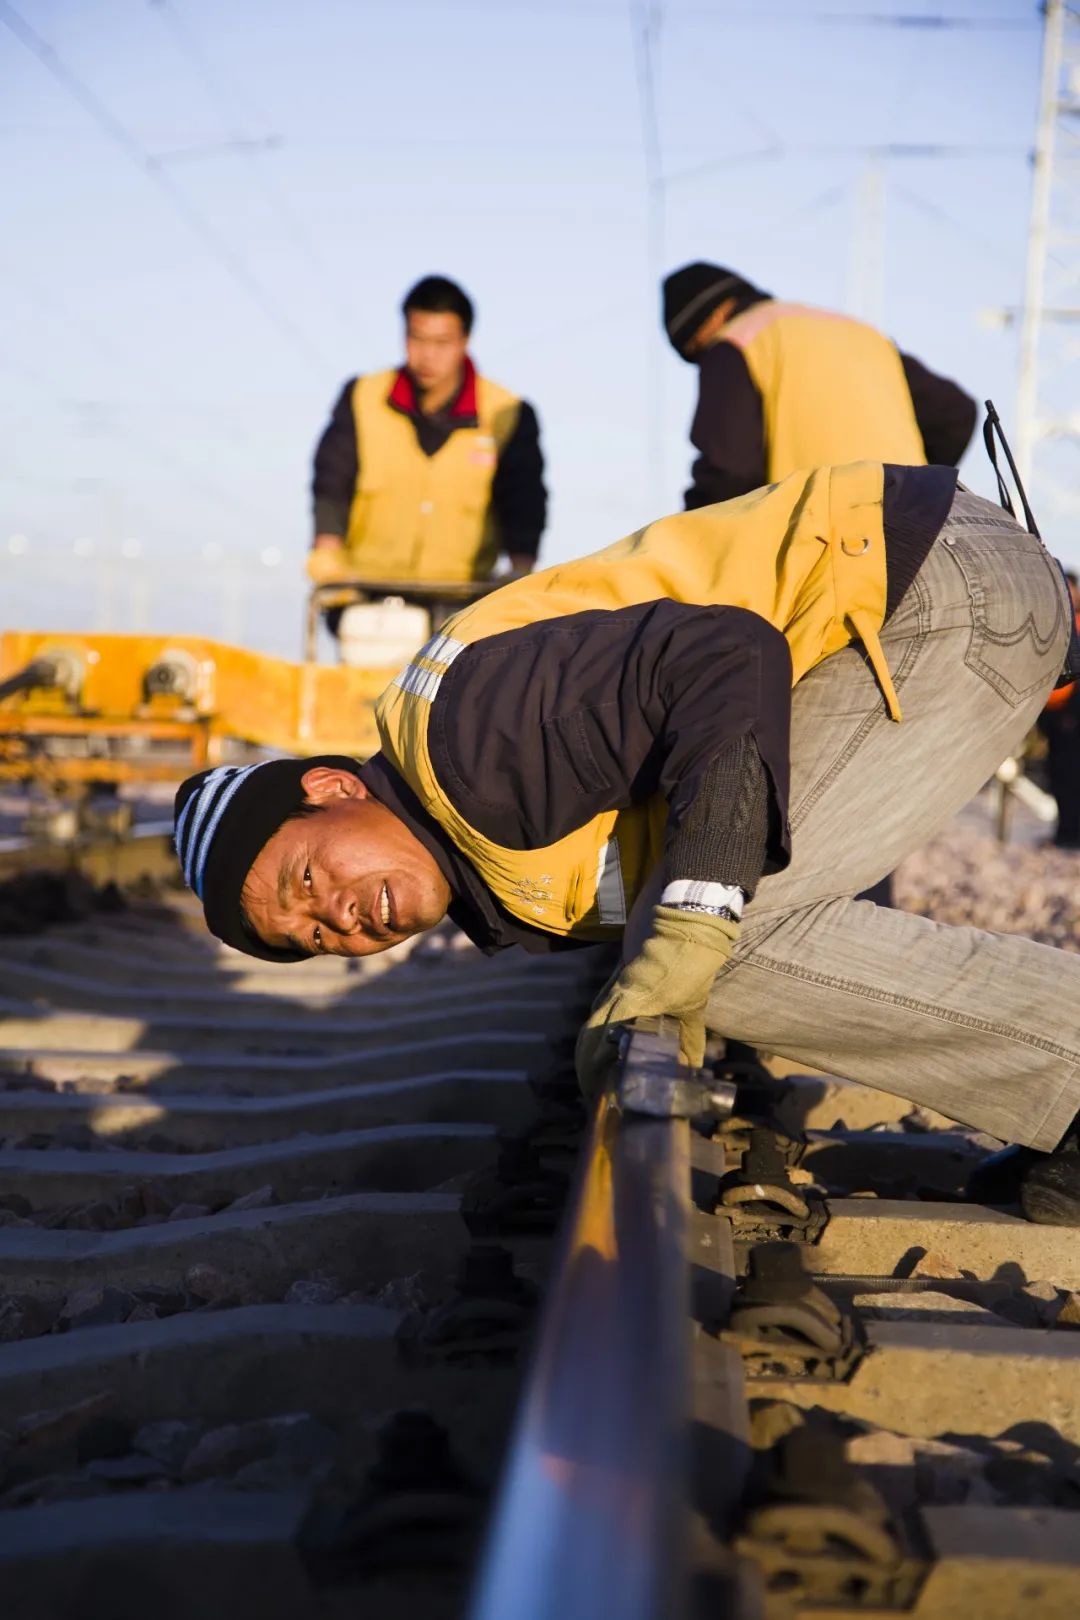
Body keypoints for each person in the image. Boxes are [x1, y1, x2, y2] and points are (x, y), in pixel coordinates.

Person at [173, 458, 1080, 1225]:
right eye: (315, 940)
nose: (335, 918)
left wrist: (694, 911)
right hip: (919, 587)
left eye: (305, 879)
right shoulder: (473, 823)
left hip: (926, 591)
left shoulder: (472, 743)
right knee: (696, 943)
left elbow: (730, 654)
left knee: (724, 948)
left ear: (331, 788)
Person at [662, 261, 976, 510]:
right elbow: (955, 414)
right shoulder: (860, 332)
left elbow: (729, 471)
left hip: (828, 545)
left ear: (713, 317)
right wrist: (917, 492)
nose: (703, 361)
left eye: (696, 352)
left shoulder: (736, 343)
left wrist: (694, 537)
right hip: (921, 533)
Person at [309, 275, 546, 592]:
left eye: (442, 343)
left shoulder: (508, 414)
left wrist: (519, 571)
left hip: (463, 598)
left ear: (465, 341)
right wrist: (327, 552)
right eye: (417, 339)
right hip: (365, 591)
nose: (428, 356)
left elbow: (524, 500)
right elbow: (332, 482)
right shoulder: (362, 397)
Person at [1037, 570, 1080, 850]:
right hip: (1053, 716)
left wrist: (1072, 714)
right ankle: (1065, 831)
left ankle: (1071, 835)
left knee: (1071, 777)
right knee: (1057, 776)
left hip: (1073, 719)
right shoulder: (1052, 622)